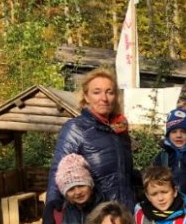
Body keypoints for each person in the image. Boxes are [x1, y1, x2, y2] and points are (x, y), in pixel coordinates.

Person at [47, 68, 139, 210]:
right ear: (86, 97)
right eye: (97, 92)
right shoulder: (76, 128)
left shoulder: (120, 131)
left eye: (110, 92)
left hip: (126, 215)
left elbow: (124, 175)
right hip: (95, 218)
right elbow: (58, 172)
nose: (104, 98)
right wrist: (51, 208)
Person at [153, 107, 186, 189]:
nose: (178, 135)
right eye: (174, 132)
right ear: (168, 135)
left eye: (183, 132)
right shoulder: (163, 157)